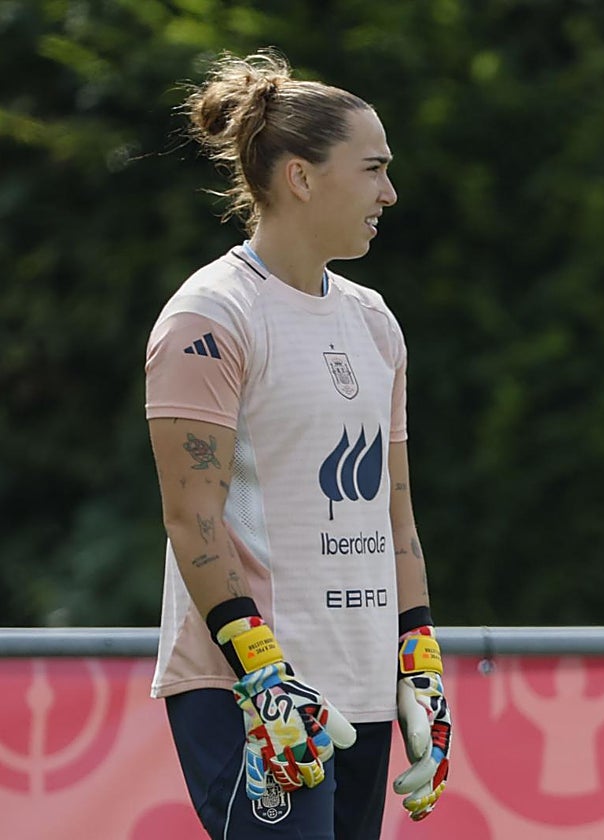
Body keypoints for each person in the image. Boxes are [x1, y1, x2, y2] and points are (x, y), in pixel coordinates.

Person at [145, 49, 451, 839]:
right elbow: (193, 520)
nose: (390, 193)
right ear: (301, 178)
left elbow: (397, 513)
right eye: (373, 169)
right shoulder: (210, 317)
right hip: (251, 687)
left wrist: (418, 659)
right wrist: (263, 676)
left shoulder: (375, 320)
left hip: (360, 678)